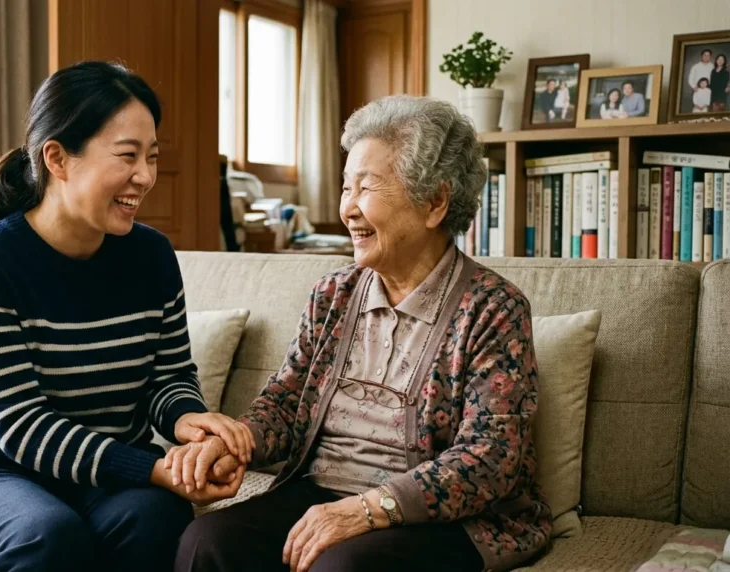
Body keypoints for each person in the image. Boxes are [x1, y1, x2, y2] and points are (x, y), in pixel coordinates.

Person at [173, 95, 551, 572]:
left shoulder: (493, 309)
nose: (347, 209)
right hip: (323, 492)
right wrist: (236, 442)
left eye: (366, 188)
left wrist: (369, 510)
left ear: (435, 202)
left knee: (340, 568)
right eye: (345, 187)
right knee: (204, 540)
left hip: (440, 517)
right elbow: (287, 404)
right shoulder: (333, 294)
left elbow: (491, 459)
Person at [0, 61, 253, 572]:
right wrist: (156, 467)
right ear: (57, 158)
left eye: (151, 157)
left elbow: (167, 376)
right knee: (47, 538)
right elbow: (22, 428)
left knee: (162, 518)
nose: (145, 177)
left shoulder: (151, 256)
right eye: (127, 156)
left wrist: (187, 419)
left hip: (101, 473)